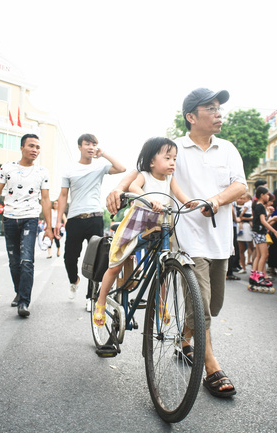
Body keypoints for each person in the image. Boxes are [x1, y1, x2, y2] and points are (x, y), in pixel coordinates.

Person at [107, 88, 246, 398]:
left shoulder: (228, 149)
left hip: (220, 238)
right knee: (203, 309)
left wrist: (215, 200)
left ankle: (185, 340)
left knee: (212, 305)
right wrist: (118, 188)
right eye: (210, 108)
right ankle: (211, 367)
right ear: (191, 116)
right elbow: (140, 166)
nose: (218, 112)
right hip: (186, 237)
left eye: (218, 107)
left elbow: (240, 185)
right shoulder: (175, 148)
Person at [94, 137, 196, 325]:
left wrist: (192, 203)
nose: (172, 162)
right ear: (151, 161)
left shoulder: (170, 179)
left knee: (163, 266)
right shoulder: (144, 174)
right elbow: (134, 186)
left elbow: (181, 195)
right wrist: (149, 200)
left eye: (174, 158)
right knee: (116, 264)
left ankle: (160, 302)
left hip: (162, 222)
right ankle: (100, 302)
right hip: (138, 221)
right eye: (167, 158)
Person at [55, 133, 126, 311]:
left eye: (94, 144)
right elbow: (63, 196)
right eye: (87, 144)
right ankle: (74, 280)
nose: (91, 147)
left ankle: (91, 296)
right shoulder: (69, 170)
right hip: (74, 219)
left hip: (94, 217)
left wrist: (104, 153)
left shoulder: (99, 167)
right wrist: (58, 221)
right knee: (70, 258)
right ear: (79, 146)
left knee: (95, 260)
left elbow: (122, 168)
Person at [0, 133, 53, 318]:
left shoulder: (42, 172)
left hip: (30, 218)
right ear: (22, 147)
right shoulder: (7, 168)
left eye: (38, 147)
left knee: (27, 260)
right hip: (9, 218)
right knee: (14, 262)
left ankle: (24, 301)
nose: (35, 150)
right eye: (31, 146)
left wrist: (49, 226)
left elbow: (46, 199)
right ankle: (19, 291)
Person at [249, 186, 277, 290]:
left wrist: (270, 215)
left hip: (256, 231)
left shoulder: (258, 206)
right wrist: (275, 232)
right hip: (260, 232)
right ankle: (259, 276)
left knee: (259, 255)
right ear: (262, 195)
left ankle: (254, 276)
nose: (268, 196)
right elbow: (263, 222)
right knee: (264, 254)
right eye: (267, 194)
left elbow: (261, 220)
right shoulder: (261, 206)